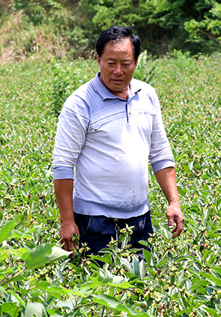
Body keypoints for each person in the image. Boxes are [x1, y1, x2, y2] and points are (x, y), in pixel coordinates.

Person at [52, 25, 184, 259]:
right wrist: (67, 221)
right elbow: (63, 165)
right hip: (94, 221)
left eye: (125, 64)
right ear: (98, 59)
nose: (117, 71)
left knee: (141, 288)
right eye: (110, 63)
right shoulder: (80, 104)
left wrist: (173, 201)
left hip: (140, 218)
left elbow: (161, 154)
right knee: (99, 291)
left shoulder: (147, 95)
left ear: (136, 62)